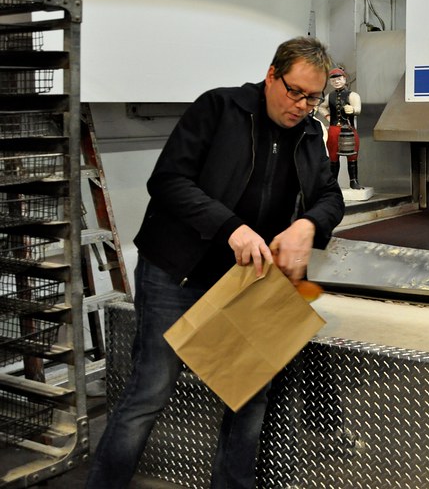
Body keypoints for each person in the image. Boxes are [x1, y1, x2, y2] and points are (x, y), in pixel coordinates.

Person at [86, 36, 345, 489]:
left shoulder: (309, 135)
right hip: (178, 271)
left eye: (313, 97)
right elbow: (167, 181)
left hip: (248, 280)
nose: (302, 105)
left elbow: (330, 196)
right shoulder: (219, 109)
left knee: (249, 397)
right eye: (294, 91)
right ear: (271, 75)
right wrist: (231, 227)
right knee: (150, 391)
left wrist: (308, 226)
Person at [323, 66, 363, 189]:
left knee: (352, 155)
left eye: (339, 79)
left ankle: (354, 181)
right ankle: (333, 182)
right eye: (333, 80)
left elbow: (358, 109)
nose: (336, 81)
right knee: (333, 156)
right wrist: (328, 116)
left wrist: (353, 110)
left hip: (349, 129)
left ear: (344, 79)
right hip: (334, 129)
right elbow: (321, 107)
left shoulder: (353, 95)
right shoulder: (329, 96)